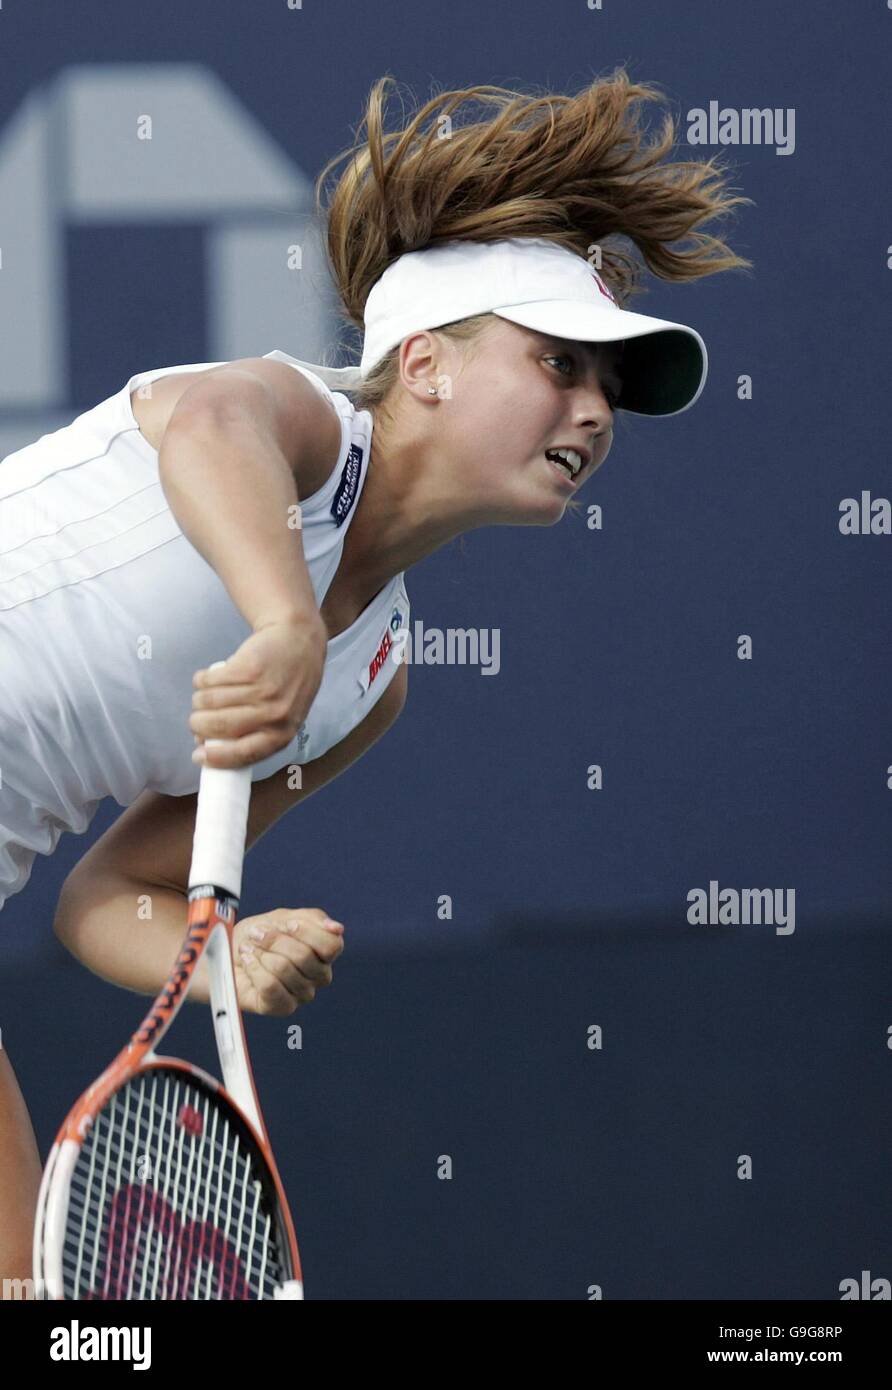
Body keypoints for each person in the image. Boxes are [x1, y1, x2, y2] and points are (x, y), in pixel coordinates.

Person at [0, 68, 751, 1293]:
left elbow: (105, 897)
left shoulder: (369, 684)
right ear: (424, 365)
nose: (594, 408)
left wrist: (219, 955)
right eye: (560, 362)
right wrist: (282, 616)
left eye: (608, 386)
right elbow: (207, 432)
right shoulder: (297, 420)